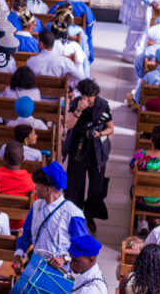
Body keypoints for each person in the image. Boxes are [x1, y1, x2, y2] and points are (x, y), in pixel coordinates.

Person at [12, 162, 89, 275]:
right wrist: (18, 255)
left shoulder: (73, 214)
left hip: (59, 272)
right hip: (34, 265)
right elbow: (26, 234)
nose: (35, 187)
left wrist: (63, 259)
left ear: (48, 189)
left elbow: (83, 246)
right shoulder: (37, 206)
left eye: (38, 184)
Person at [64, 79, 112, 233]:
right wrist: (78, 109)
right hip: (78, 149)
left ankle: (89, 215)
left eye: (89, 96)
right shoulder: (76, 103)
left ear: (95, 94)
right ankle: (76, 217)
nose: (86, 99)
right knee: (74, 185)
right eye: (84, 95)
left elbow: (110, 128)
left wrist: (99, 133)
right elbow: (68, 125)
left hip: (97, 151)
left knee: (96, 188)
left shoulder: (103, 105)